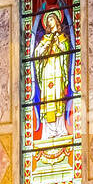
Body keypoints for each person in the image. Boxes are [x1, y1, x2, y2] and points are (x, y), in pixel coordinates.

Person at [32, 9, 72, 142]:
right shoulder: (45, 38)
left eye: (52, 18)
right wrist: (45, 47)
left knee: (58, 98)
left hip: (58, 70)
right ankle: (48, 132)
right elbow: (37, 53)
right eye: (48, 19)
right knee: (48, 100)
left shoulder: (62, 37)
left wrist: (59, 44)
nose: (50, 21)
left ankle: (60, 129)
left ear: (57, 21)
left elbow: (66, 50)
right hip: (47, 70)